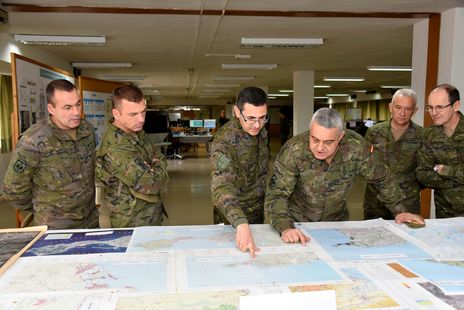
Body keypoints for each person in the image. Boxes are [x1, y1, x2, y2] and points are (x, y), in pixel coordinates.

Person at [265, 107, 425, 244]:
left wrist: (400, 210)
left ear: (340, 136)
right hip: (298, 224)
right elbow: (276, 195)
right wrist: (285, 227)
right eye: (314, 139)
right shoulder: (294, 150)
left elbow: (382, 177)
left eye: (328, 142)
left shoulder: (355, 147)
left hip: (336, 224)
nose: (320, 147)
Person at [3, 79, 98, 229]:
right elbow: (13, 190)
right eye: (67, 107)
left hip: (90, 220)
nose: (76, 112)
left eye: (78, 104)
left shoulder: (87, 130)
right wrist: (43, 208)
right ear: (51, 109)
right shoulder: (33, 141)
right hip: (56, 225)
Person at [96, 85, 169, 227]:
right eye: (133, 114)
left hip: (150, 214)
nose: (141, 119)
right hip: (131, 221)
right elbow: (152, 183)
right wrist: (158, 166)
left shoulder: (138, 133)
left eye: (143, 112)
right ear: (116, 114)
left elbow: (159, 157)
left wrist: (156, 165)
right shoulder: (116, 147)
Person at [210, 86, 269, 258]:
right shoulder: (224, 143)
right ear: (237, 111)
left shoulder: (261, 132)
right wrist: (241, 224)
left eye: (262, 118)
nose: (257, 125)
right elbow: (222, 188)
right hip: (232, 218)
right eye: (250, 118)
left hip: (257, 212)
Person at [364, 89, 424, 220]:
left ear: (415, 111)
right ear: (390, 107)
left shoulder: (422, 135)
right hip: (376, 202)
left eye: (408, 109)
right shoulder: (374, 132)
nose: (402, 113)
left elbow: (425, 170)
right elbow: (365, 165)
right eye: (398, 107)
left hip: (407, 202)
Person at [416, 83, 464, 217]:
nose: (434, 113)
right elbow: (422, 174)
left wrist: (443, 169)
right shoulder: (429, 135)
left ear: (456, 105)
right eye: (430, 107)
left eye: (439, 107)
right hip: (444, 213)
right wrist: (456, 180)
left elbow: (433, 171)